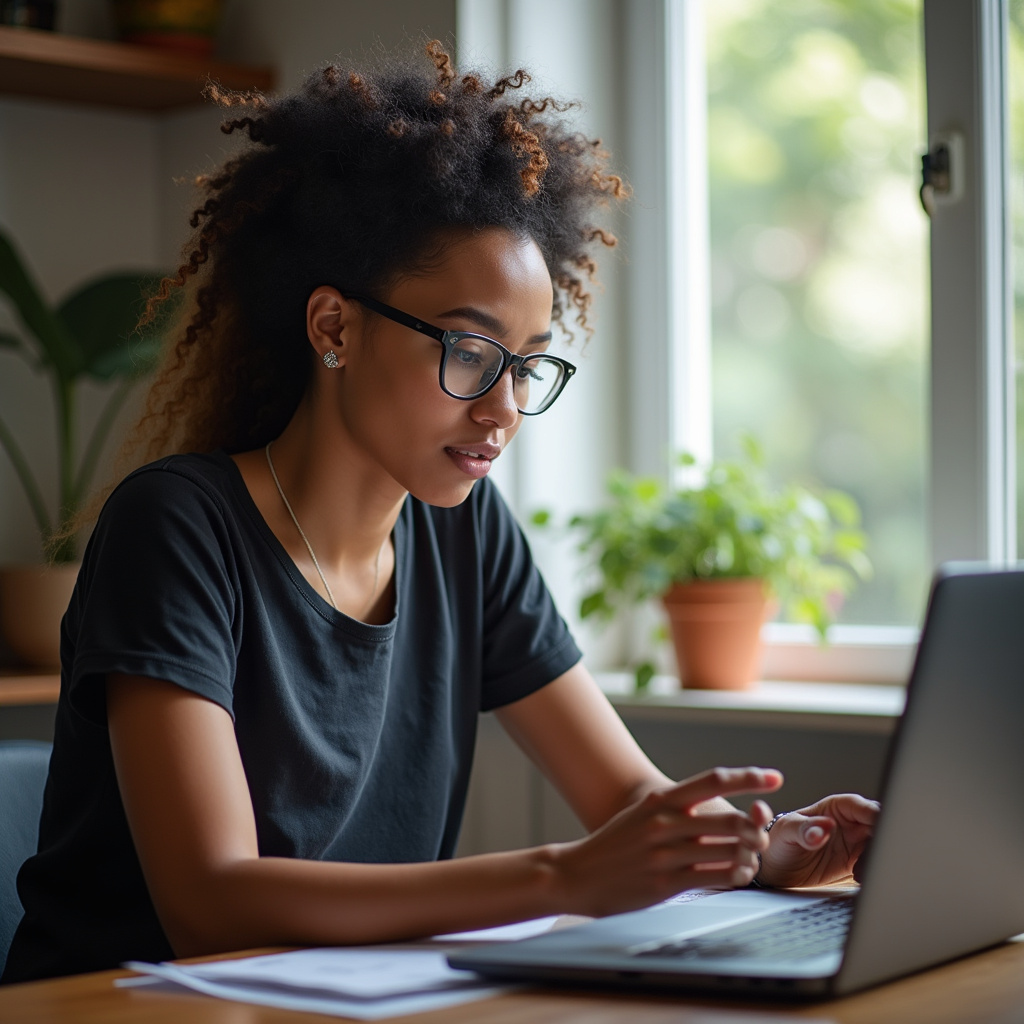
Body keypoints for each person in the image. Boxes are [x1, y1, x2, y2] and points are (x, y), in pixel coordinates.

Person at [1, 41, 877, 985]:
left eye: (529, 362)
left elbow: (628, 800)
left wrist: (757, 849)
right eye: (470, 349)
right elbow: (211, 902)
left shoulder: (466, 527)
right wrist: (562, 878)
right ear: (334, 327)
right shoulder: (177, 528)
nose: (502, 408)